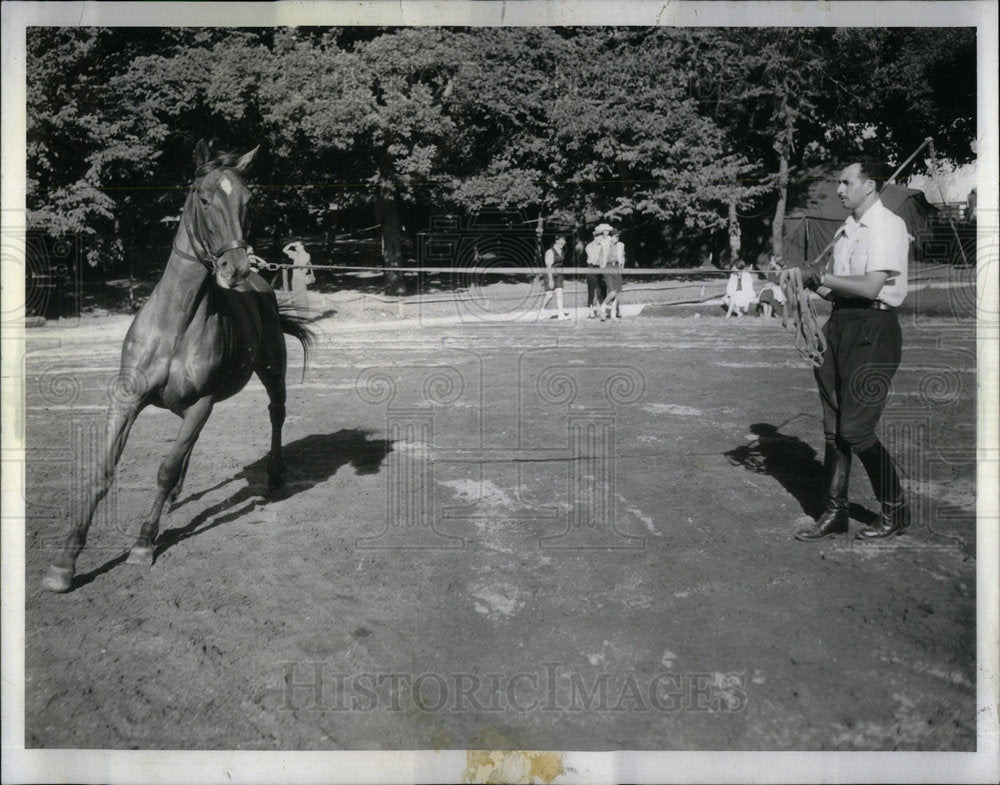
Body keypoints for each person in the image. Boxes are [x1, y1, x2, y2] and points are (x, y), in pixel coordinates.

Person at [789, 159, 911, 542]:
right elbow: (837, 291)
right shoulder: (847, 229)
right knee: (833, 429)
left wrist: (822, 275)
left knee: (856, 429)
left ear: (869, 185)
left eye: (846, 183)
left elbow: (872, 287)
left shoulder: (888, 226)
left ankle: (895, 510)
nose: (839, 190)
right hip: (839, 325)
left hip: (873, 330)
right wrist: (803, 280)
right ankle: (835, 512)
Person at [537, 235, 571, 320]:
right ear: (556, 241)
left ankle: (561, 314)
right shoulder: (550, 252)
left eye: (564, 242)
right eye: (560, 241)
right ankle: (542, 310)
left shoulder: (562, 251)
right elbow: (548, 266)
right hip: (550, 274)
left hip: (559, 275)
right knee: (549, 295)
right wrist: (550, 280)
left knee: (560, 293)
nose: (562, 243)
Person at [585, 224, 613, 319]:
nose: (601, 238)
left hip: (601, 268)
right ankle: (590, 309)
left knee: (602, 288)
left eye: (602, 236)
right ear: (595, 237)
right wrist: (600, 258)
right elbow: (594, 259)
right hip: (592, 268)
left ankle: (601, 309)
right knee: (592, 289)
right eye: (600, 236)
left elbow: (606, 256)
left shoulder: (603, 245)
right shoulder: (589, 246)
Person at [282, 240, 315, 311]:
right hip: (295, 275)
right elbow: (284, 250)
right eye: (295, 247)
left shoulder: (306, 255)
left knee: (302, 293)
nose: (296, 248)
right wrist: (290, 244)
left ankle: (304, 310)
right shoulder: (295, 254)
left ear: (302, 246)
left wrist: (296, 256)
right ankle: (298, 310)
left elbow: (301, 265)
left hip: (301, 276)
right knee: (296, 293)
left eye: (297, 246)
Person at [601, 228, 625, 319]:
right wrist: (602, 268)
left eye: (618, 236)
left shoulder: (621, 245)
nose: (616, 238)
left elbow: (622, 256)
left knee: (616, 292)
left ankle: (613, 314)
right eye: (615, 236)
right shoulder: (604, 244)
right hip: (607, 267)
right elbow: (601, 257)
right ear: (610, 237)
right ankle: (603, 308)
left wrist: (622, 266)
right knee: (612, 292)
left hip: (617, 268)